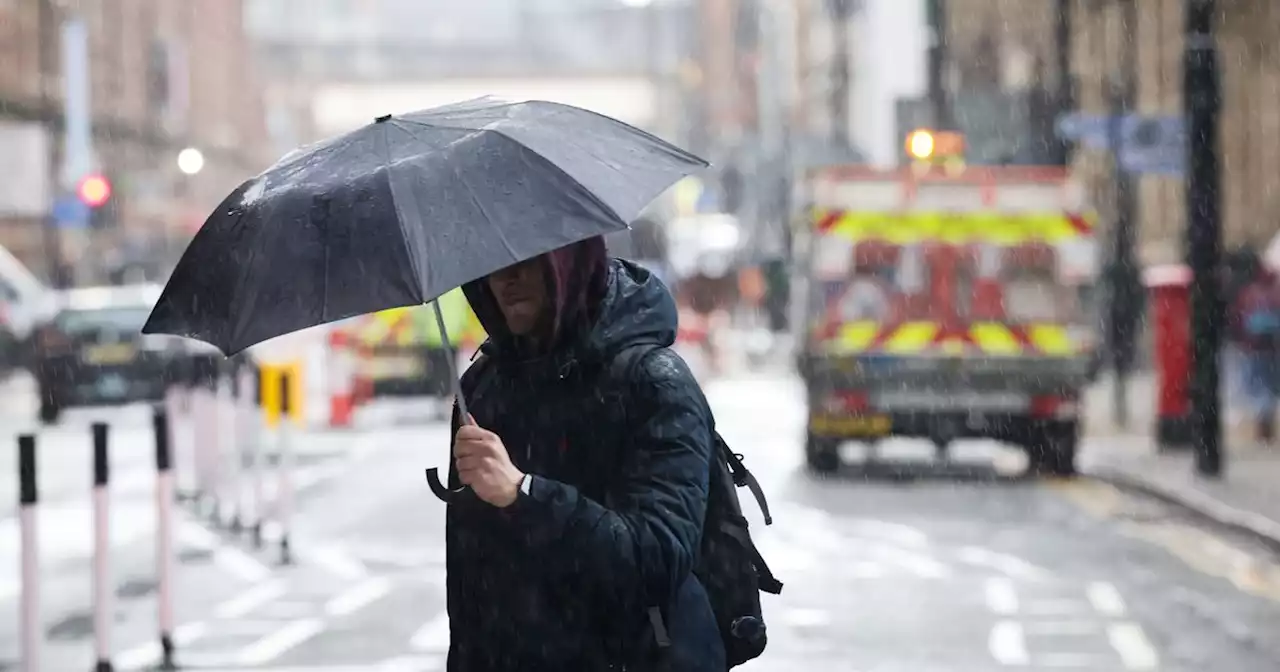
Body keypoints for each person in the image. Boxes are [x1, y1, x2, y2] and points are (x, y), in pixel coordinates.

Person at [444, 235, 725, 671]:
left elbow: (657, 558)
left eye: (528, 257)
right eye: (494, 260)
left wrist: (526, 495)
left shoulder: (652, 382)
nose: (507, 278)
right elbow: (471, 587)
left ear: (566, 261)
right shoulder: (483, 389)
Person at [1231, 264, 1280, 442]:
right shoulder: (1275, 294)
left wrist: (1242, 341)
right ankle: (1266, 428)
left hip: (1254, 348)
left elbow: (1237, 319)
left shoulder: (1249, 293)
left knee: (1258, 388)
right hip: (1272, 348)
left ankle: (1262, 428)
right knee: (1269, 387)